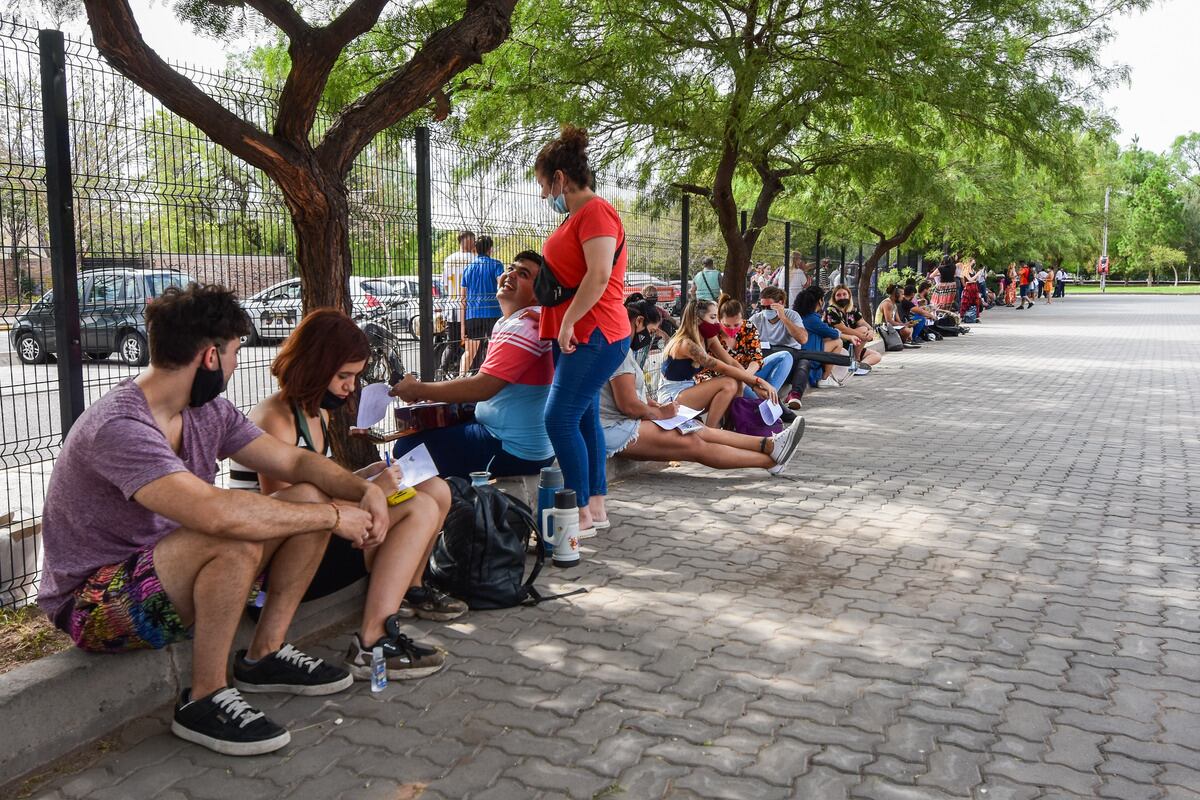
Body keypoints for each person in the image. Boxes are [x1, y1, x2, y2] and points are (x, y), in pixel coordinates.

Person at [36, 284, 393, 756]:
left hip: (167, 573)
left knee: (302, 496)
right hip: (95, 604)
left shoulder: (207, 411)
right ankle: (203, 699)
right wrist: (331, 516)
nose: (237, 362)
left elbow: (295, 464)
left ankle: (264, 655)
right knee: (238, 534)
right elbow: (214, 514)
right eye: (235, 351)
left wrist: (364, 490)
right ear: (209, 356)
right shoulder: (120, 426)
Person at [232, 310, 454, 687]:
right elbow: (289, 508)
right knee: (417, 506)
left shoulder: (314, 412)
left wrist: (366, 480)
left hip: (320, 534)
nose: (350, 387)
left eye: (354, 376)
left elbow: (323, 490)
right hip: (279, 565)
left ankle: (404, 597)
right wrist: (373, 493)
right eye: (343, 376)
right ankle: (373, 641)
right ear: (314, 365)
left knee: (434, 489)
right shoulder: (276, 417)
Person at [534, 126, 631, 535]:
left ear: (560, 178)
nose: (543, 196)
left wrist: (570, 321)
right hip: (581, 332)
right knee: (585, 415)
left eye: (544, 185)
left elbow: (599, 275)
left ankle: (577, 513)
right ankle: (595, 505)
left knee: (558, 419)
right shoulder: (580, 215)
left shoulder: (595, 212)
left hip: (594, 332)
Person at [389, 252, 556, 479]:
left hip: (511, 448)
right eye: (511, 268)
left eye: (523, 274)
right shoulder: (517, 320)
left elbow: (484, 386)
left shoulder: (525, 326)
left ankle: (441, 506)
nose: (511, 275)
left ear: (539, 294)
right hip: (513, 440)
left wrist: (418, 389)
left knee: (408, 449)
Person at [599, 322, 806, 476]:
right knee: (693, 442)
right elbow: (628, 405)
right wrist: (661, 412)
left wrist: (653, 406)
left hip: (634, 417)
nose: (716, 322)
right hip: (617, 427)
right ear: (638, 322)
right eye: (712, 316)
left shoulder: (621, 349)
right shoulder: (619, 349)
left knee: (699, 429)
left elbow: (728, 363)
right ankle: (769, 461)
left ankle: (770, 445)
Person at [658, 299, 777, 426]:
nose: (717, 322)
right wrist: (759, 382)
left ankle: (732, 425)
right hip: (672, 396)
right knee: (729, 382)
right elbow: (724, 368)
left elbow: (731, 362)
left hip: (689, 389)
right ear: (697, 319)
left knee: (735, 380)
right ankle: (711, 430)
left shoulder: (708, 337)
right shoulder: (687, 344)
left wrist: (754, 386)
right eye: (713, 317)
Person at [696, 295, 794, 398]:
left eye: (737, 325)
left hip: (748, 375)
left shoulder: (748, 327)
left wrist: (747, 379)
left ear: (742, 319)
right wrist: (748, 381)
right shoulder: (712, 335)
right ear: (719, 320)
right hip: (724, 379)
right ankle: (768, 402)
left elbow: (756, 358)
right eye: (727, 326)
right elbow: (725, 367)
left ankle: (768, 397)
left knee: (785, 356)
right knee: (738, 387)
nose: (732, 329)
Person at [749, 286, 811, 410]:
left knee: (804, 363)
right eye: (763, 307)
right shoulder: (757, 318)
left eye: (770, 307)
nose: (766, 310)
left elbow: (803, 339)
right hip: (767, 358)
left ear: (781, 303)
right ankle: (770, 399)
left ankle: (795, 395)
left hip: (791, 357)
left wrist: (783, 318)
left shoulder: (792, 315)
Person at [461, 234, 505, 374]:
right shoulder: (496, 264)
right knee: (495, 349)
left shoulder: (468, 269)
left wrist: (463, 327)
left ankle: (460, 378)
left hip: (473, 314)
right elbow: (502, 283)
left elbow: (463, 298)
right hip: (493, 313)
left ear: (476, 249)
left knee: (470, 351)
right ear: (490, 249)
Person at [795, 285, 855, 388]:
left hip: (800, 352)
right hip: (808, 354)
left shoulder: (798, 315)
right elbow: (834, 334)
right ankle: (825, 378)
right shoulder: (812, 318)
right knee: (838, 342)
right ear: (819, 301)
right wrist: (850, 337)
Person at [825, 286, 882, 367]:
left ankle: (859, 365)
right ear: (834, 298)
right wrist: (862, 336)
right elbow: (843, 329)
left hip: (854, 344)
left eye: (844, 294)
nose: (842, 297)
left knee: (877, 356)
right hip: (839, 342)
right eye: (838, 295)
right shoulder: (831, 310)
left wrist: (870, 330)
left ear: (849, 295)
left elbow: (862, 322)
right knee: (863, 330)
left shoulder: (852, 308)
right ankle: (856, 359)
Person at [441, 230, 475, 347]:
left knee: (452, 344)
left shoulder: (448, 259)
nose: (474, 243)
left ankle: (444, 366)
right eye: (473, 240)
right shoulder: (474, 259)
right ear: (467, 240)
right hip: (470, 308)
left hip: (452, 307)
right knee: (472, 344)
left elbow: (445, 285)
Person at [876, 283, 919, 348]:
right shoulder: (887, 303)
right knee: (906, 331)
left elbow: (898, 321)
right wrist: (904, 325)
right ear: (896, 294)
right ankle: (902, 342)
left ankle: (903, 342)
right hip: (882, 328)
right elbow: (889, 321)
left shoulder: (894, 305)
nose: (903, 296)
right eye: (902, 294)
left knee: (909, 328)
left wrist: (907, 324)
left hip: (889, 327)